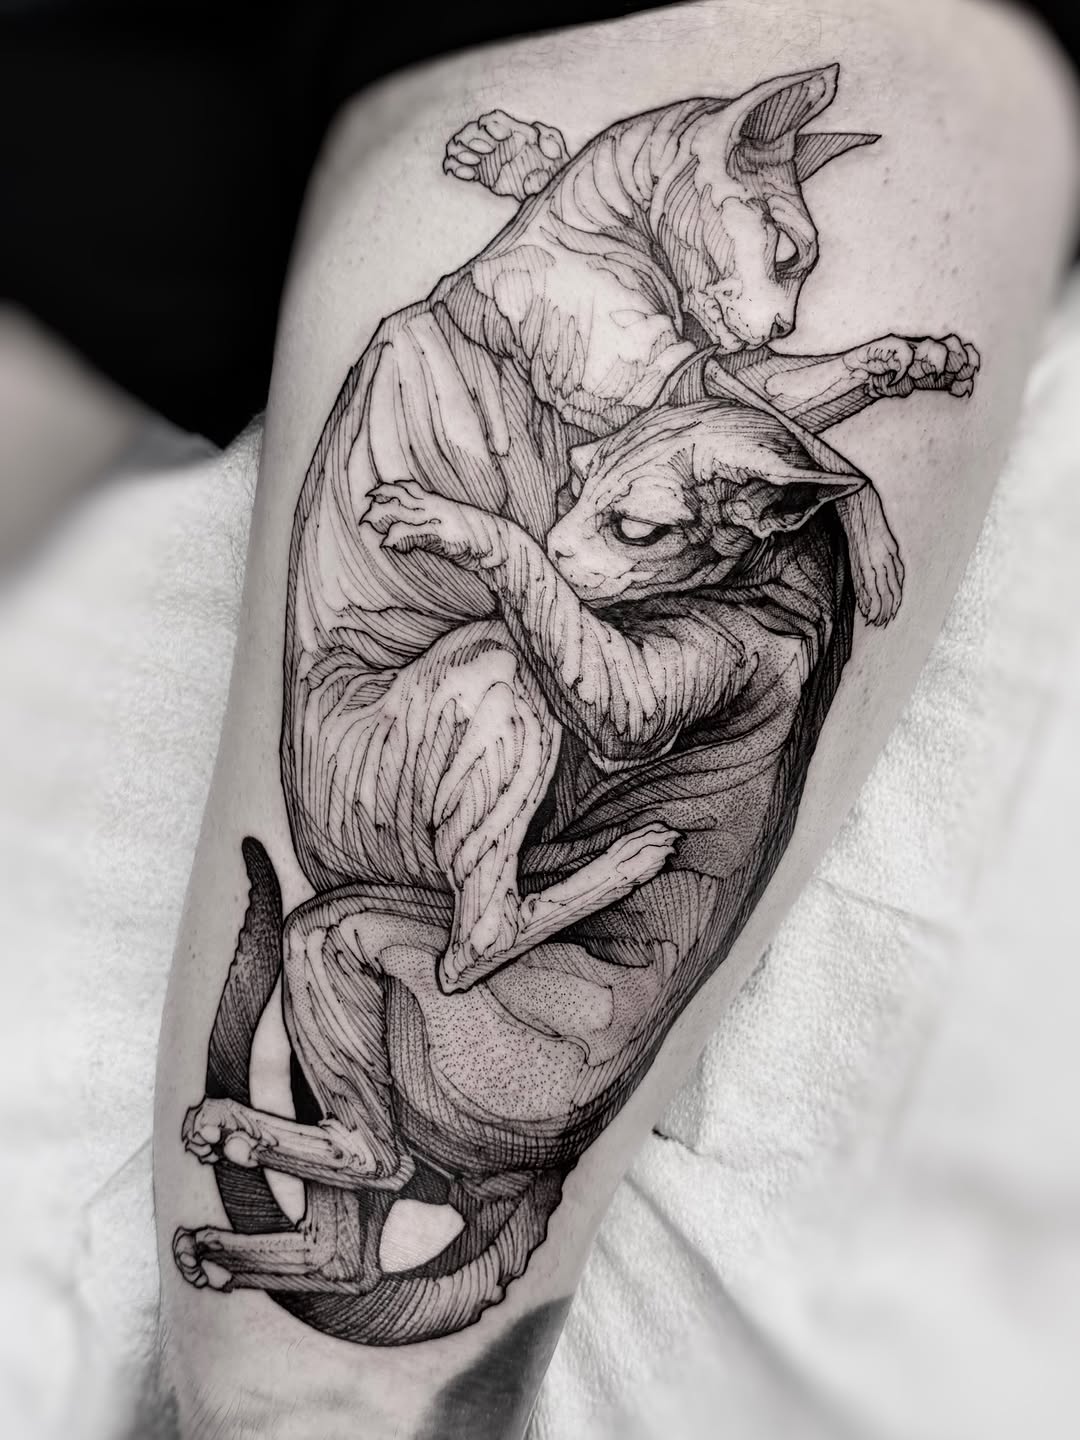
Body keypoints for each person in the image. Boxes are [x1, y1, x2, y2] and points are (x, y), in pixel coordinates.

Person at [152, 2, 1078, 1435]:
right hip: (431, 893)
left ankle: (437, 1038)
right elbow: (682, 395)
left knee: (477, 717)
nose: (780, 306)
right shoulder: (613, 342)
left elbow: (324, 1406)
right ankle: (345, 1214)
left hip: (519, 1020)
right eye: (779, 253)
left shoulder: (740, 628)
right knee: (336, 927)